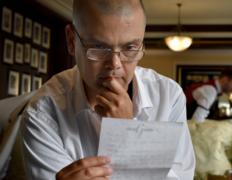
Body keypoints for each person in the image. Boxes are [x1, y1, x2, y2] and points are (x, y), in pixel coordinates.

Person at [20, 0, 195, 179]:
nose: (115, 65)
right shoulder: (42, 112)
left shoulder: (168, 96)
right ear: (71, 41)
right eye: (99, 48)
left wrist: (128, 134)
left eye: (130, 48)